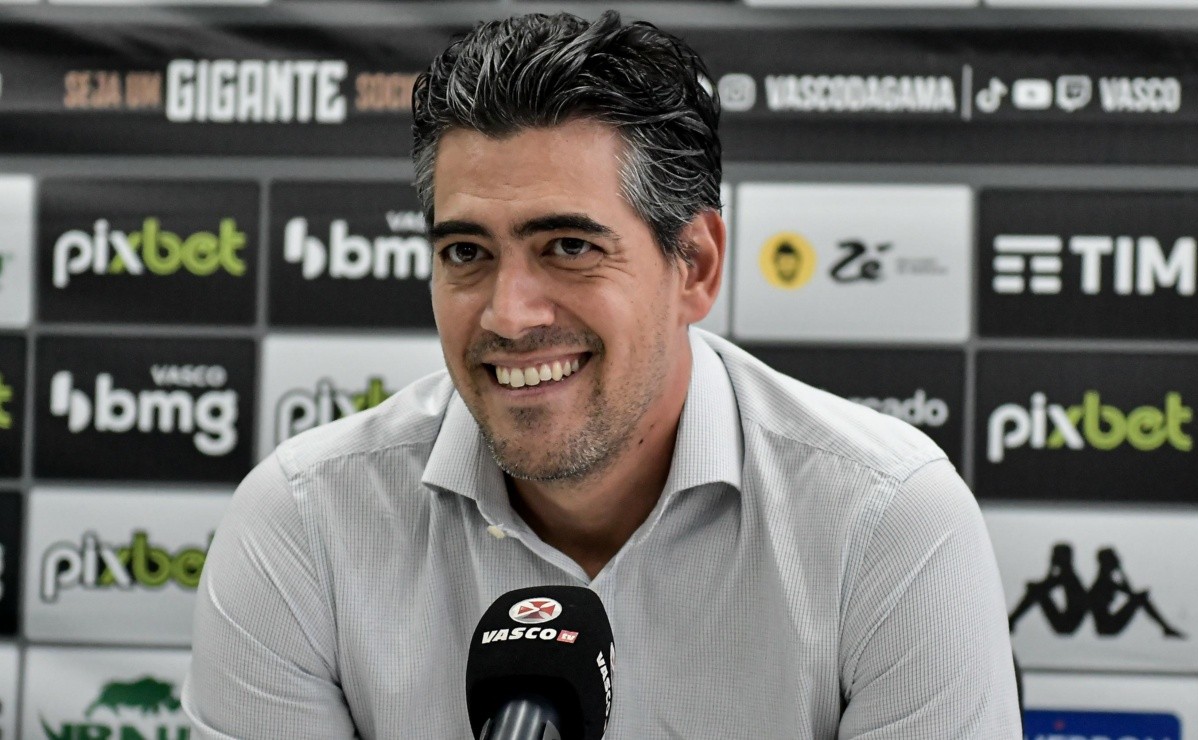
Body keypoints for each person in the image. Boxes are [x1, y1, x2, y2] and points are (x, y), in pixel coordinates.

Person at [182, 11, 1021, 737]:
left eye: (569, 247)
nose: (510, 315)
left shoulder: (885, 523)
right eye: (467, 252)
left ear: (695, 265)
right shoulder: (306, 526)